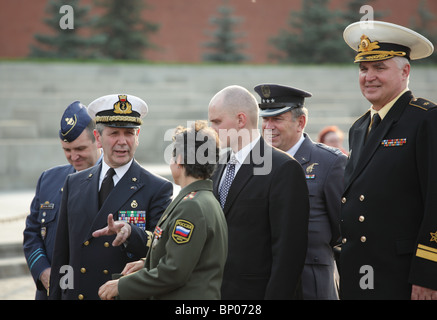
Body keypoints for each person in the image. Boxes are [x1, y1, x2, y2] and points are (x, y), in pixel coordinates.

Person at [341, 21, 437, 299]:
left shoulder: (426, 119)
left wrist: (429, 272)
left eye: (379, 68)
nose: (368, 76)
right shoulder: (360, 128)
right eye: (363, 68)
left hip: (403, 276)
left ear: (405, 71)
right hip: (360, 273)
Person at [48, 94, 173, 300]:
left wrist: (131, 232)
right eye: (114, 133)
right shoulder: (74, 183)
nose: (122, 141)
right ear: (98, 138)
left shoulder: (157, 188)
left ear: (138, 135)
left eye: (129, 133)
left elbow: (162, 251)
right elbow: (63, 255)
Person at [98, 121, 228, 300]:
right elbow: (187, 257)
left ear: (180, 160)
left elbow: (174, 272)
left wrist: (122, 285)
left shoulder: (192, 206)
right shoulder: (203, 199)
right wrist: (146, 264)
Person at [208, 85, 309, 299]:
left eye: (216, 122)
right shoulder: (218, 165)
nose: (211, 128)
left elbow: (288, 254)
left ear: (240, 120)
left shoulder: (283, 168)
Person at [254, 84, 347, 300]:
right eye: (265, 119)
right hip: (265, 284)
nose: (269, 126)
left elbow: (342, 231)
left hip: (310, 284)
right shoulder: (256, 163)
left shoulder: (329, 163)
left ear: (301, 122)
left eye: (277, 119)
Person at [23, 101, 102, 300]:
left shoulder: (117, 182)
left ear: (98, 140)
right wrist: (43, 271)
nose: (74, 157)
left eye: (80, 148)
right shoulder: (48, 179)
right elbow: (32, 232)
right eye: (67, 150)